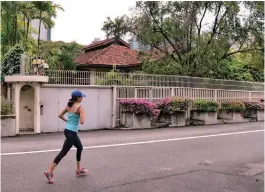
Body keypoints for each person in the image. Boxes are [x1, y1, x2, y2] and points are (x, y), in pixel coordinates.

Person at [44, 90, 88, 184]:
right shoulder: (80, 108)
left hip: (68, 131)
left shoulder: (69, 106)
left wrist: (67, 121)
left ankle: (78, 169)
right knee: (63, 152)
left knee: (80, 147)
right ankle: (49, 171)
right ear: (77, 98)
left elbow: (59, 115)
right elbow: (82, 122)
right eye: (81, 97)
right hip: (71, 133)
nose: (82, 98)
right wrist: (82, 114)